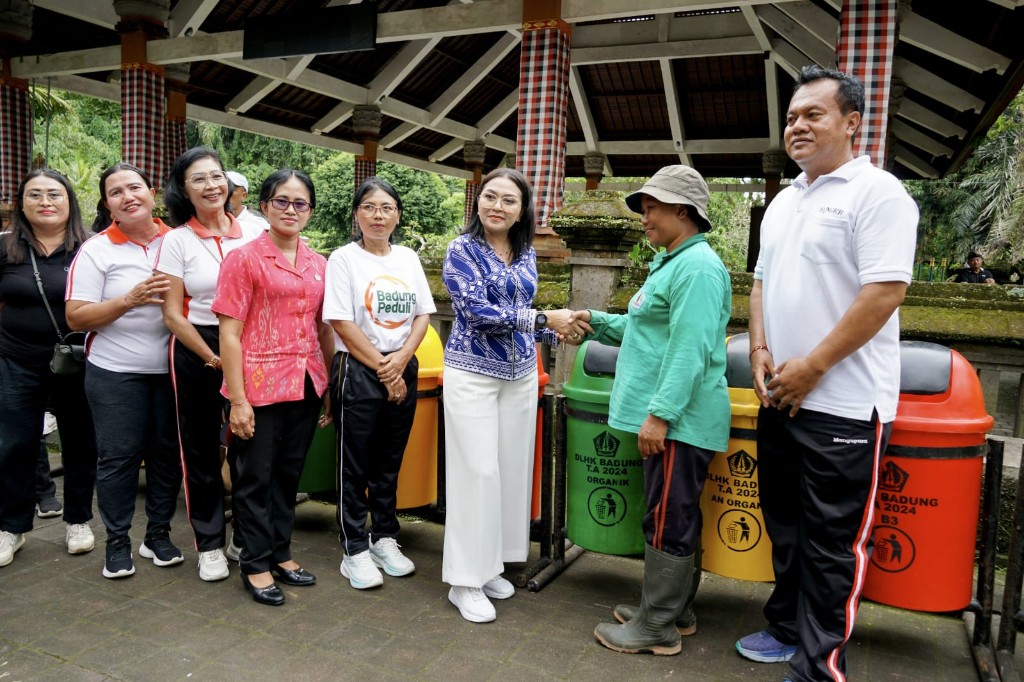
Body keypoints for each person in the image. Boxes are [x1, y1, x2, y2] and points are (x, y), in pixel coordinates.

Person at [735, 65, 918, 682]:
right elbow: (761, 283)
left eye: (813, 114)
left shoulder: (880, 194)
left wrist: (812, 366)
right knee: (784, 528)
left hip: (843, 404)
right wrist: (760, 348)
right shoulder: (786, 200)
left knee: (831, 542)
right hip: (780, 396)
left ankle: (821, 666)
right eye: (791, 117)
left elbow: (885, 292)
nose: (798, 126)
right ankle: (786, 628)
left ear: (852, 123)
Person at [563, 165, 731, 656]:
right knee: (670, 513)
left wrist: (659, 415)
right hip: (674, 416)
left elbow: (689, 350)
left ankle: (656, 626)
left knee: (665, 518)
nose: (644, 217)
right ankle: (671, 611)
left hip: (680, 420)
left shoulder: (697, 269)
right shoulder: (673, 262)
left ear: (684, 211)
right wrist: (594, 321)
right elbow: (647, 332)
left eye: (652, 208)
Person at [440, 167, 584, 623]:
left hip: (520, 372)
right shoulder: (460, 250)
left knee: (510, 471)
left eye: (508, 200)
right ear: (477, 202)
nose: (496, 206)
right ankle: (463, 579)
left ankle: (490, 567)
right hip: (472, 371)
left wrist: (555, 330)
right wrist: (544, 321)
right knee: (477, 470)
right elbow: (476, 310)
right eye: (489, 197)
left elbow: (523, 307)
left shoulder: (525, 252)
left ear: (523, 211)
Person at [213, 168, 334, 606]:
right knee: (254, 478)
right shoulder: (243, 259)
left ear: (310, 212)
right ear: (263, 206)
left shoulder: (320, 264)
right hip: (258, 388)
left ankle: (281, 552)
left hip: (305, 384)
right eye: (281, 201)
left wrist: (327, 387)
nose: (290, 210)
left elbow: (324, 331)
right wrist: (238, 399)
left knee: (287, 476)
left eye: (300, 203)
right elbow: (230, 333)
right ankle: (256, 562)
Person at [66, 163, 184, 579]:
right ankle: (117, 541)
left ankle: (158, 534)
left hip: (173, 370)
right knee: (118, 457)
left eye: (134, 187)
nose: (127, 196)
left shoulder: (179, 240)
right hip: (116, 371)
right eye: (115, 192)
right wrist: (129, 299)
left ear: (152, 193)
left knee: (168, 455)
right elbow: (76, 317)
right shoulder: (97, 249)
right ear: (107, 205)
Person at [157, 147, 264, 583]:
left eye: (216, 177)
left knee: (250, 444)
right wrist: (212, 355)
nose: (210, 186)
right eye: (198, 179)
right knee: (200, 448)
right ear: (184, 189)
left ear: (229, 183)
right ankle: (210, 544)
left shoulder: (254, 232)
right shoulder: (177, 240)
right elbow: (171, 313)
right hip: (197, 345)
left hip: (250, 346)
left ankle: (244, 534)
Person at [323, 177, 436, 589]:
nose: (378, 215)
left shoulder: (407, 258)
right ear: (356, 214)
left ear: (398, 216)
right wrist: (384, 369)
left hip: (402, 364)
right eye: (369, 207)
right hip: (358, 368)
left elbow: (423, 314)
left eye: (387, 207)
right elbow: (341, 320)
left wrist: (401, 360)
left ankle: (384, 537)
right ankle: (353, 547)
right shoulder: (343, 259)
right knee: (354, 464)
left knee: (389, 462)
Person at [0, 169, 99, 567]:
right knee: (13, 444)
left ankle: (78, 520)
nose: (45, 202)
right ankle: (11, 527)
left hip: (76, 364)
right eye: (35, 194)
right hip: (15, 361)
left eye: (54, 194)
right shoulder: (5, 247)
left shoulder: (90, 247)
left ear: (69, 201)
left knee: (80, 443)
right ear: (21, 203)